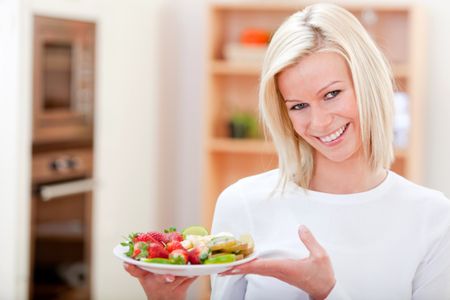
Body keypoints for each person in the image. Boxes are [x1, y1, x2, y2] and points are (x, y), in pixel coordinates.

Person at [125, 3, 450, 299]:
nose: (319, 122)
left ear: (368, 83)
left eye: (332, 94)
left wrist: (325, 293)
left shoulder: (431, 217)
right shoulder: (243, 203)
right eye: (298, 106)